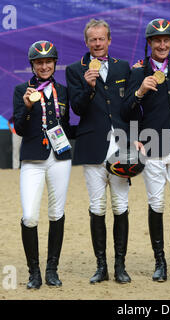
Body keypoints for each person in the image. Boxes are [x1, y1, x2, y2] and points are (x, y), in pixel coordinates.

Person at [121, 18, 170, 282]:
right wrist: (140, 92)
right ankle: (160, 262)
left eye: (166, 40)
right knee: (156, 203)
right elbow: (125, 109)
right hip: (153, 142)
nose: (162, 44)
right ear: (149, 43)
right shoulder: (138, 70)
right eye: (157, 40)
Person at [65, 19, 135, 284]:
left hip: (121, 148)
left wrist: (136, 139)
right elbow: (78, 109)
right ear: (86, 42)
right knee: (97, 207)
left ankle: (120, 266)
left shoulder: (122, 67)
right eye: (92, 40)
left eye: (101, 39)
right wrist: (89, 86)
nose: (97, 43)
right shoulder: (75, 70)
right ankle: (101, 267)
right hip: (93, 146)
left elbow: (130, 108)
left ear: (109, 40)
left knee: (120, 206)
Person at [13, 40, 74, 289]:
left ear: (54, 64)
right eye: (39, 62)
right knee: (29, 216)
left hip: (60, 159)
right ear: (33, 65)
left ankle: (51, 270)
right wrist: (28, 108)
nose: (44, 66)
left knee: (56, 213)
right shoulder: (22, 91)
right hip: (33, 159)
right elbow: (20, 127)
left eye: (48, 61)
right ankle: (33, 272)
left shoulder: (63, 90)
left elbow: (67, 124)